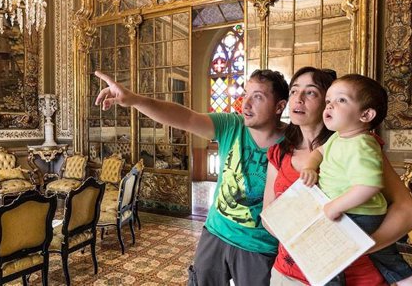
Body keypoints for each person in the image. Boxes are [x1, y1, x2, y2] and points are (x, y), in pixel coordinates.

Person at [94, 68, 289, 286]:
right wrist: (135, 100)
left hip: (259, 246)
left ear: (279, 106)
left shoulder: (293, 144)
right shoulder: (231, 126)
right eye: (246, 94)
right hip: (216, 233)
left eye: (258, 97)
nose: (246, 104)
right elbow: (186, 117)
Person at [263, 67, 412, 286]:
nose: (298, 99)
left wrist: (347, 249)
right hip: (287, 274)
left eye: (310, 92)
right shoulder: (280, 152)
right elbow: (269, 215)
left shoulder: (359, 144)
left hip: (354, 277)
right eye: (293, 91)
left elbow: (409, 214)